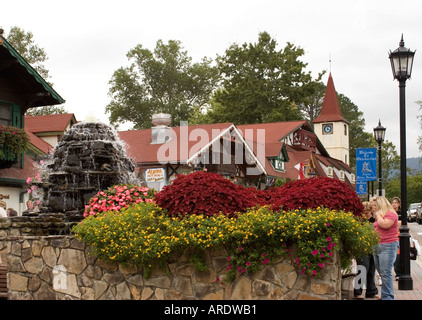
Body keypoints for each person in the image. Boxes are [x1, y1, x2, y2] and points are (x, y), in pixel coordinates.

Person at [373, 196, 399, 300]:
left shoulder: (391, 214)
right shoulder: (381, 215)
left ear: (381, 204)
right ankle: (385, 294)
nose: (373, 208)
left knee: (386, 272)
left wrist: (378, 215)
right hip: (377, 245)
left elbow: (384, 225)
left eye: (375, 206)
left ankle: (388, 297)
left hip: (388, 245)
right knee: (381, 272)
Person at [354, 201, 379, 299]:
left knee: (372, 269)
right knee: (363, 268)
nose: (365, 215)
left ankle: (371, 291)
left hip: (372, 247)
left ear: (371, 211)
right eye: (363, 212)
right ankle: (358, 291)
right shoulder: (359, 221)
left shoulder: (374, 220)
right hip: (362, 247)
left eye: (367, 212)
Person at [391, 197, 402, 280]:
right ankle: (397, 272)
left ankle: (401, 272)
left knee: (401, 255)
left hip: (401, 235)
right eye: (393, 202)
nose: (394, 204)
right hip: (394, 235)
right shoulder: (390, 213)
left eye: (395, 202)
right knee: (396, 255)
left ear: (399, 204)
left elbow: (404, 224)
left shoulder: (401, 213)